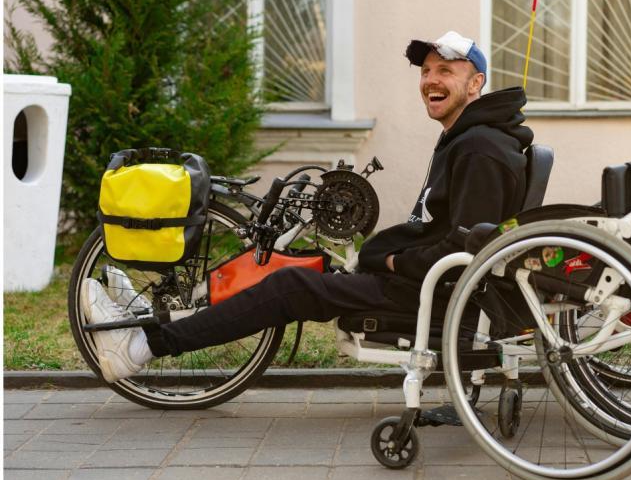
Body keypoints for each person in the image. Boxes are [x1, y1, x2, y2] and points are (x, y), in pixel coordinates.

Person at [82, 30, 534, 383]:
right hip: (416, 279)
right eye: (426, 71)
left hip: (429, 292)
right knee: (297, 267)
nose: (431, 80)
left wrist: (393, 259)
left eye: (446, 71)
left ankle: (141, 347)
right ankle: (147, 320)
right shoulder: (467, 137)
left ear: (475, 83)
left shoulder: (479, 148)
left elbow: (469, 248)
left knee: (289, 286)